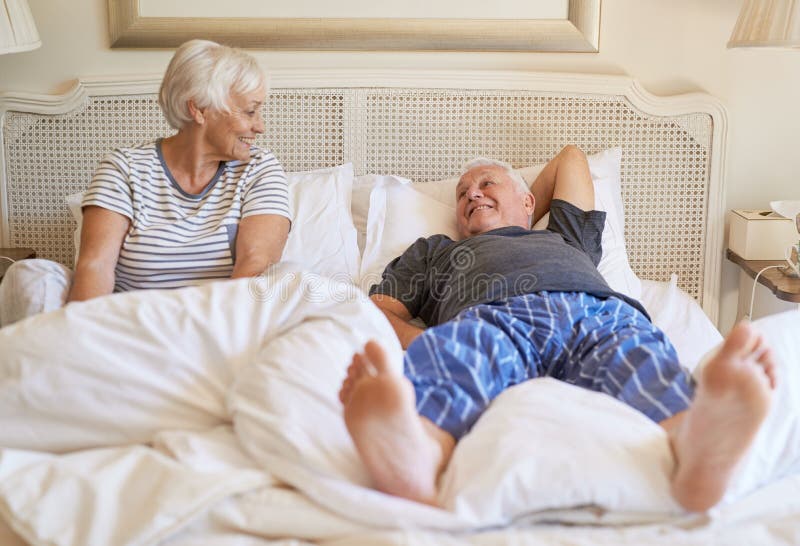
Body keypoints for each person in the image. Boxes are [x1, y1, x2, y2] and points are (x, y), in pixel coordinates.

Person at [338, 145, 777, 513]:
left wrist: (519, 209)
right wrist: (424, 341)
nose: (471, 194)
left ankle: (696, 449)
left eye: (486, 183)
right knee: (459, 360)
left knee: (638, 359)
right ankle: (416, 455)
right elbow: (380, 308)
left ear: (530, 201)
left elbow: (571, 159)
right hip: (494, 317)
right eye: (462, 194)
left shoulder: (566, 236)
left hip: (596, 311)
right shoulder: (437, 250)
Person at [0, 39, 291, 325]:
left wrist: (202, 338)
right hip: (133, 329)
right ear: (200, 109)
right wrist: (85, 340)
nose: (260, 126)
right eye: (250, 111)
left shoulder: (259, 168)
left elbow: (256, 265)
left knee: (296, 279)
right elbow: (95, 267)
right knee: (29, 275)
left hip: (221, 328)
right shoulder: (124, 168)